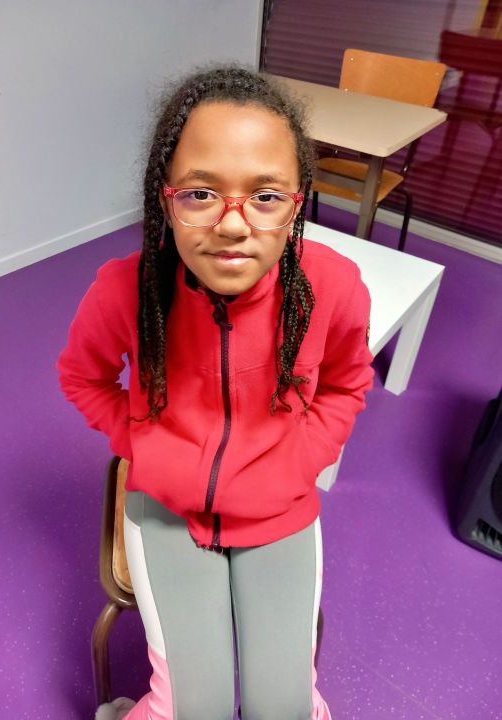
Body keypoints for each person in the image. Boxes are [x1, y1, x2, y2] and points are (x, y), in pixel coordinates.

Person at [56, 64, 374, 720]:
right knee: (189, 710)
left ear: (297, 202)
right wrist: (146, 445)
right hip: (168, 509)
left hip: (280, 508)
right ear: (166, 198)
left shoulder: (335, 286)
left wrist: (302, 458)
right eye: (201, 193)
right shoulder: (124, 290)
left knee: (279, 709)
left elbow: (348, 382)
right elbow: (83, 377)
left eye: (266, 196)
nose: (232, 225)